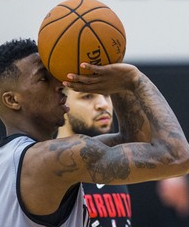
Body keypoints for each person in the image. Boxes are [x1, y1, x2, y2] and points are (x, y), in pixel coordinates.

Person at [0, 38, 189, 226]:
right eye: (44, 78)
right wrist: (135, 81)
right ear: (12, 100)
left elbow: (133, 142)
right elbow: (178, 157)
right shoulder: (48, 161)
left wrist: (116, 84)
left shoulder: (2, 161)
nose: (60, 84)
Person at [56, 89, 132, 226]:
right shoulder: (49, 167)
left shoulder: (115, 157)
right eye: (87, 96)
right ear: (61, 102)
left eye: (107, 94)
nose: (103, 104)